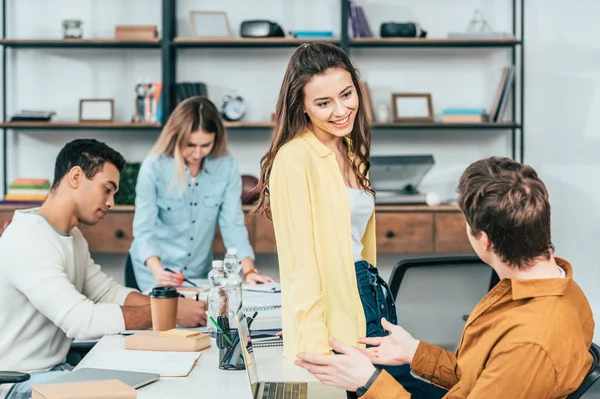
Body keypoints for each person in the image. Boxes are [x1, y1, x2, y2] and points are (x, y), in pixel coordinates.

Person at [295, 156, 595, 399]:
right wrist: (415, 352)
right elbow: (482, 376)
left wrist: (368, 381)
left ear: (485, 240)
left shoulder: (529, 343)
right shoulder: (559, 289)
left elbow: (510, 364)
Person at [253, 42, 444, 398]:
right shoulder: (295, 159)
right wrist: (317, 351)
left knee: (394, 390)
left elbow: (357, 242)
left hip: (369, 295)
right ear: (303, 107)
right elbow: (300, 265)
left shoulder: (351, 150)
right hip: (333, 304)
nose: (341, 110)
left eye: (346, 94)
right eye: (324, 103)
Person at [0, 139, 208, 399]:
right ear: (75, 176)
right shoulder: (29, 238)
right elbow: (81, 321)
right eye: (106, 189)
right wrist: (169, 310)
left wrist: (171, 305)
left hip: (57, 371)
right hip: (20, 383)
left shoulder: (72, 237)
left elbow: (106, 293)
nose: (111, 202)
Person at [129, 96, 274, 292]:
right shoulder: (154, 167)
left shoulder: (226, 166)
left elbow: (232, 224)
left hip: (198, 276)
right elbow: (144, 229)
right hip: (153, 273)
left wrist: (249, 271)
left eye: (205, 145)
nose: (197, 153)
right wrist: (158, 272)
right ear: (176, 137)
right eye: (190, 145)